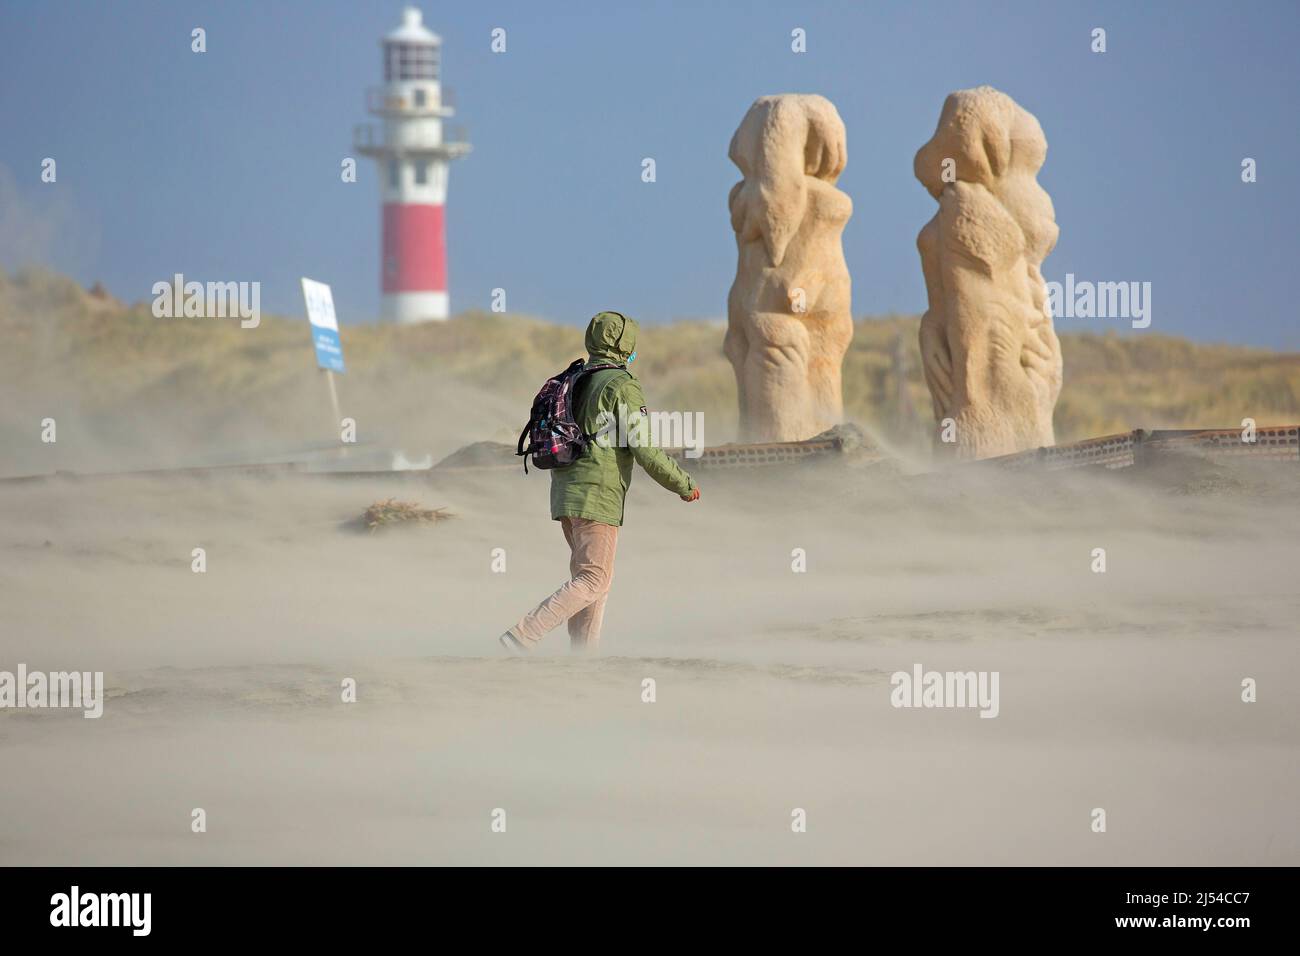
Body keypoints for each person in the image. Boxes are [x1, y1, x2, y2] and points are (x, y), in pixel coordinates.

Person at [499, 311, 700, 653]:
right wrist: (682, 483)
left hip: (564, 491)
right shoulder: (621, 385)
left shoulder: (576, 377)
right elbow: (645, 449)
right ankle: (523, 635)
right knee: (594, 579)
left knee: (591, 579)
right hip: (597, 493)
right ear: (625, 346)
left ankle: (584, 660)